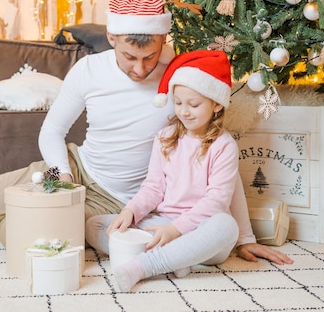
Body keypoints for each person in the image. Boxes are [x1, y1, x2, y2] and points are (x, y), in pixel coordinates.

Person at [0, 0, 175, 245]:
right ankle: (11, 218)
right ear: (111, 37)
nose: (140, 69)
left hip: (118, 201)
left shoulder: (179, 75)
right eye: (129, 56)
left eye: (150, 57)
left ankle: (14, 224)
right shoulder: (89, 70)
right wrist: (63, 176)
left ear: (163, 40)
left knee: (31, 235)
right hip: (75, 168)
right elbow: (52, 130)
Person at [85, 50, 293, 292]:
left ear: (216, 104)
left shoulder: (223, 146)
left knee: (227, 226)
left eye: (193, 104)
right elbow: (153, 187)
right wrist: (131, 212)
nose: (184, 111)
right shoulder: (165, 137)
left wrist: (176, 231)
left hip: (201, 231)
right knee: (96, 225)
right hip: (164, 224)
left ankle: (147, 265)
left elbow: (216, 201)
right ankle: (179, 259)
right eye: (179, 103)